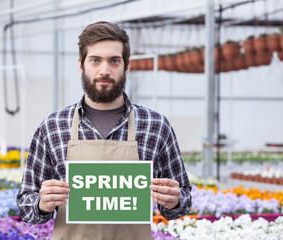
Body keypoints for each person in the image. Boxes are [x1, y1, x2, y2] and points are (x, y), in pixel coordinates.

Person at [17, 21, 192, 240]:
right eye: (95, 60)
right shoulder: (53, 127)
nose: (104, 70)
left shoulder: (156, 125)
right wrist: (42, 204)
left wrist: (174, 199)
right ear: (81, 65)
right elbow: (26, 205)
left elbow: (181, 202)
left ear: (127, 66)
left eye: (114, 61)